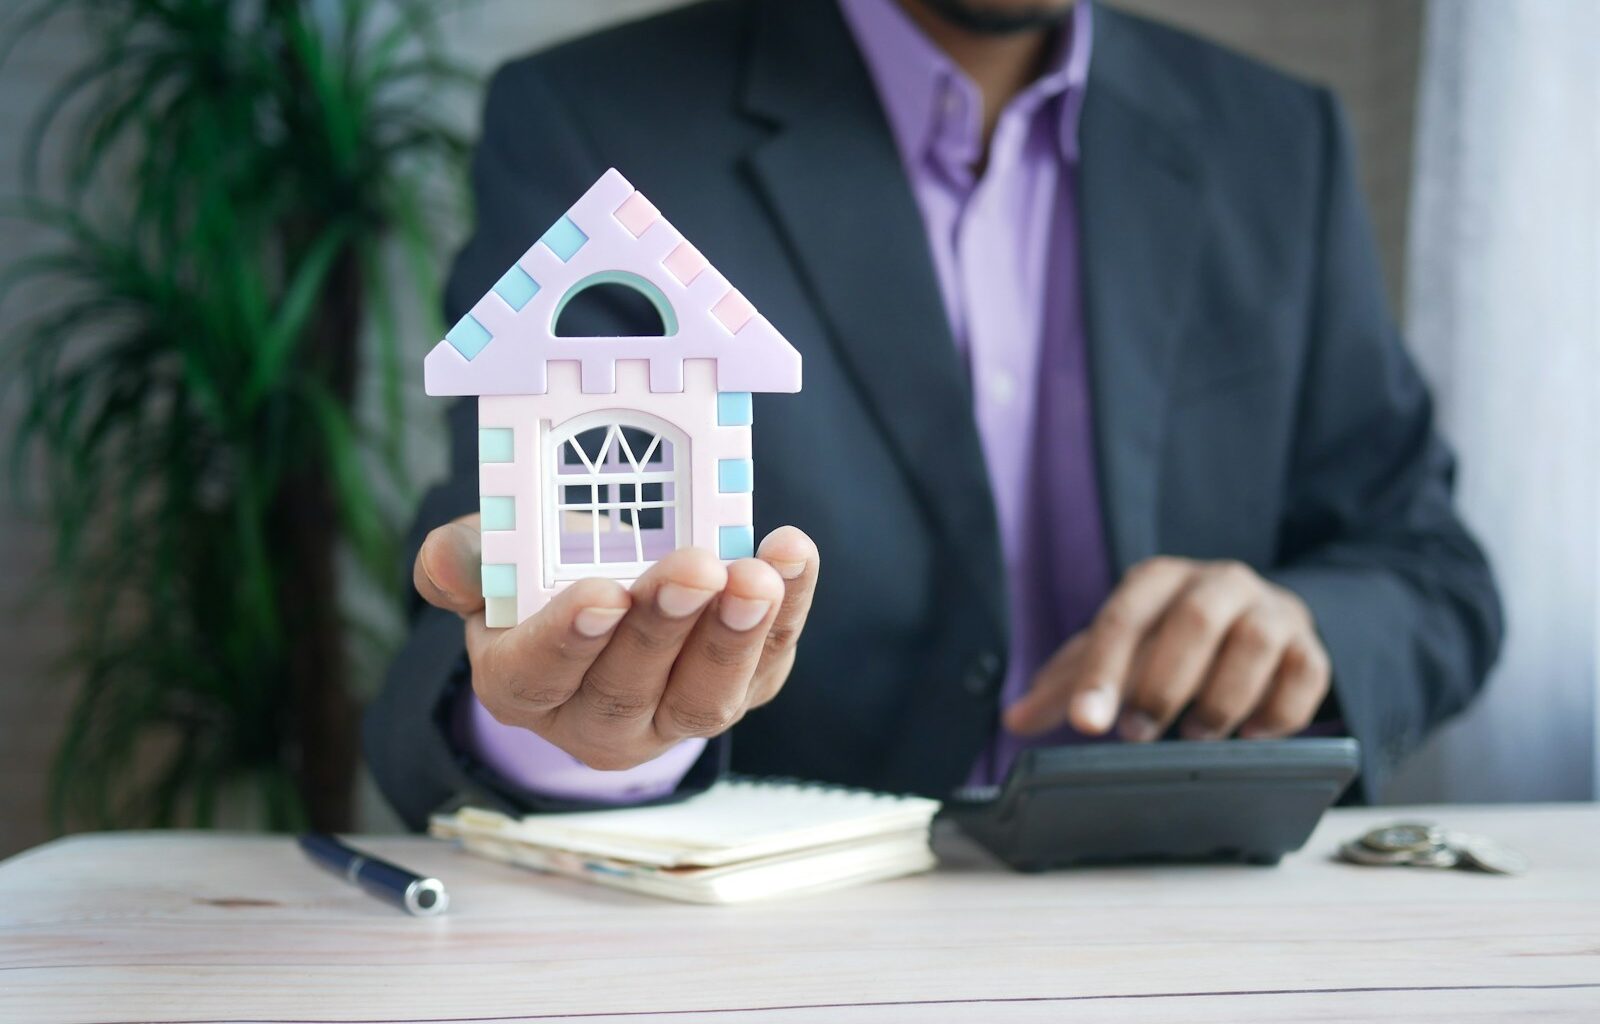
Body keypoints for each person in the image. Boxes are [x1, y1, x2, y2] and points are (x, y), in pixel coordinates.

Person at [364, 0, 1502, 829]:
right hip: (782, 946)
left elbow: (1429, 568)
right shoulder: (593, 121)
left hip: (1194, 922)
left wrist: (1301, 630)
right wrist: (581, 735)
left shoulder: (1275, 141)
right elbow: (504, 584)